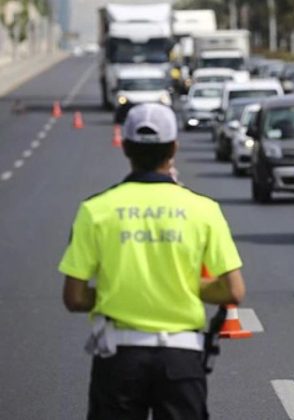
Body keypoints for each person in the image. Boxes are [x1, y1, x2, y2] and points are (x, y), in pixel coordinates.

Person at [59, 103, 246, 420]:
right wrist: (181, 286)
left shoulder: (95, 210)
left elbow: (74, 297)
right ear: (174, 147)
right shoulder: (204, 210)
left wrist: (117, 290)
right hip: (182, 358)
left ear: (126, 147)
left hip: (118, 357)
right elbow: (232, 290)